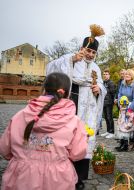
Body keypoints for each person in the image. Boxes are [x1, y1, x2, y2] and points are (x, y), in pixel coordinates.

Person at [0, 72, 88, 190]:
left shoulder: (19, 116)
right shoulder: (74, 121)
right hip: (58, 178)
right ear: (67, 92)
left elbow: (5, 149)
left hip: (22, 176)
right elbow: (77, 153)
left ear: (44, 89)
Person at [46, 32, 106, 189]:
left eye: (94, 52)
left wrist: (98, 89)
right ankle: (65, 174)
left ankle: (79, 177)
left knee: (85, 140)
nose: (91, 54)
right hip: (73, 105)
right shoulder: (70, 59)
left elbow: (102, 87)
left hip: (89, 111)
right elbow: (50, 68)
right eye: (88, 51)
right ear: (82, 48)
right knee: (70, 139)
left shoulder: (96, 68)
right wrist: (72, 60)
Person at [117, 69, 134, 151]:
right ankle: (123, 143)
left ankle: (131, 143)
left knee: (130, 125)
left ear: (132, 76)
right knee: (122, 124)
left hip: (130, 107)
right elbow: (119, 94)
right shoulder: (123, 83)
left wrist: (130, 109)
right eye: (125, 74)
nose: (126, 75)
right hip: (122, 107)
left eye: (128, 74)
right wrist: (119, 104)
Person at [101, 69, 116, 139]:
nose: (105, 75)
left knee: (110, 118)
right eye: (104, 74)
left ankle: (112, 132)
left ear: (109, 75)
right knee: (106, 117)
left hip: (109, 103)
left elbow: (113, 94)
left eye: (106, 74)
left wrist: (113, 102)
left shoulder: (111, 83)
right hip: (103, 102)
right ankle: (108, 131)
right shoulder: (102, 82)